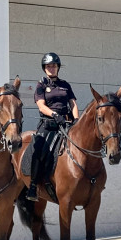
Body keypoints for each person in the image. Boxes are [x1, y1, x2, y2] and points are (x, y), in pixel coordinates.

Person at [26, 52, 79, 201]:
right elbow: (41, 106)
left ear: (58, 67)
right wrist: (55, 115)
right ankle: (33, 186)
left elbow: (73, 103)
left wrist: (76, 119)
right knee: (39, 150)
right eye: (48, 66)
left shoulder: (65, 85)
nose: (51, 68)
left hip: (66, 123)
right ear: (44, 68)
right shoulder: (42, 84)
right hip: (49, 124)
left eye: (54, 66)